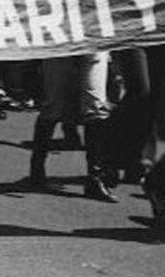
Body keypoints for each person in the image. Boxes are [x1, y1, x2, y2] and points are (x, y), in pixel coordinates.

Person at [28, 53, 116, 201]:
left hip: (93, 44)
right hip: (62, 45)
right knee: (53, 107)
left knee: (96, 108)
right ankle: (37, 169)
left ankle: (95, 178)